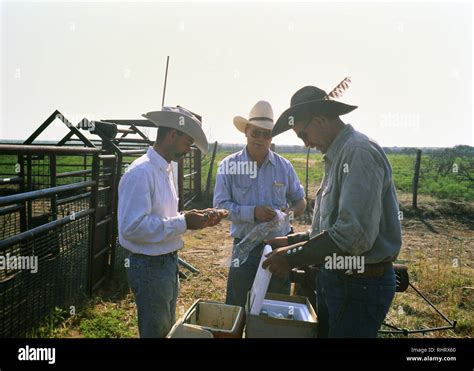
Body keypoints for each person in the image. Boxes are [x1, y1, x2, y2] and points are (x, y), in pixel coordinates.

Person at [263, 84, 402, 338]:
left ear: (319, 121)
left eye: (303, 135)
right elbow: (329, 231)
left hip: (360, 286)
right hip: (338, 281)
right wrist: (292, 240)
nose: (306, 144)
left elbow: (352, 235)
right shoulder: (337, 156)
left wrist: (292, 258)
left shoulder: (357, 153)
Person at [118, 106, 225, 338]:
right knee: (156, 331)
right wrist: (185, 222)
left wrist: (194, 217)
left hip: (165, 263)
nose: (189, 148)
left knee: (165, 329)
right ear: (172, 135)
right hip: (149, 266)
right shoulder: (141, 172)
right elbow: (132, 228)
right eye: (188, 141)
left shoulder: (165, 169)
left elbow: (163, 217)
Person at [214, 100, 306, 307]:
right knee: (238, 305)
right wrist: (252, 212)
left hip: (277, 248)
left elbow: (300, 201)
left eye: (266, 134)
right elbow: (220, 207)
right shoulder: (228, 166)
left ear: (271, 137)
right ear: (246, 131)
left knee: (275, 306)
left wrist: (288, 214)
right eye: (256, 133)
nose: (260, 139)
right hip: (244, 247)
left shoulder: (284, 166)